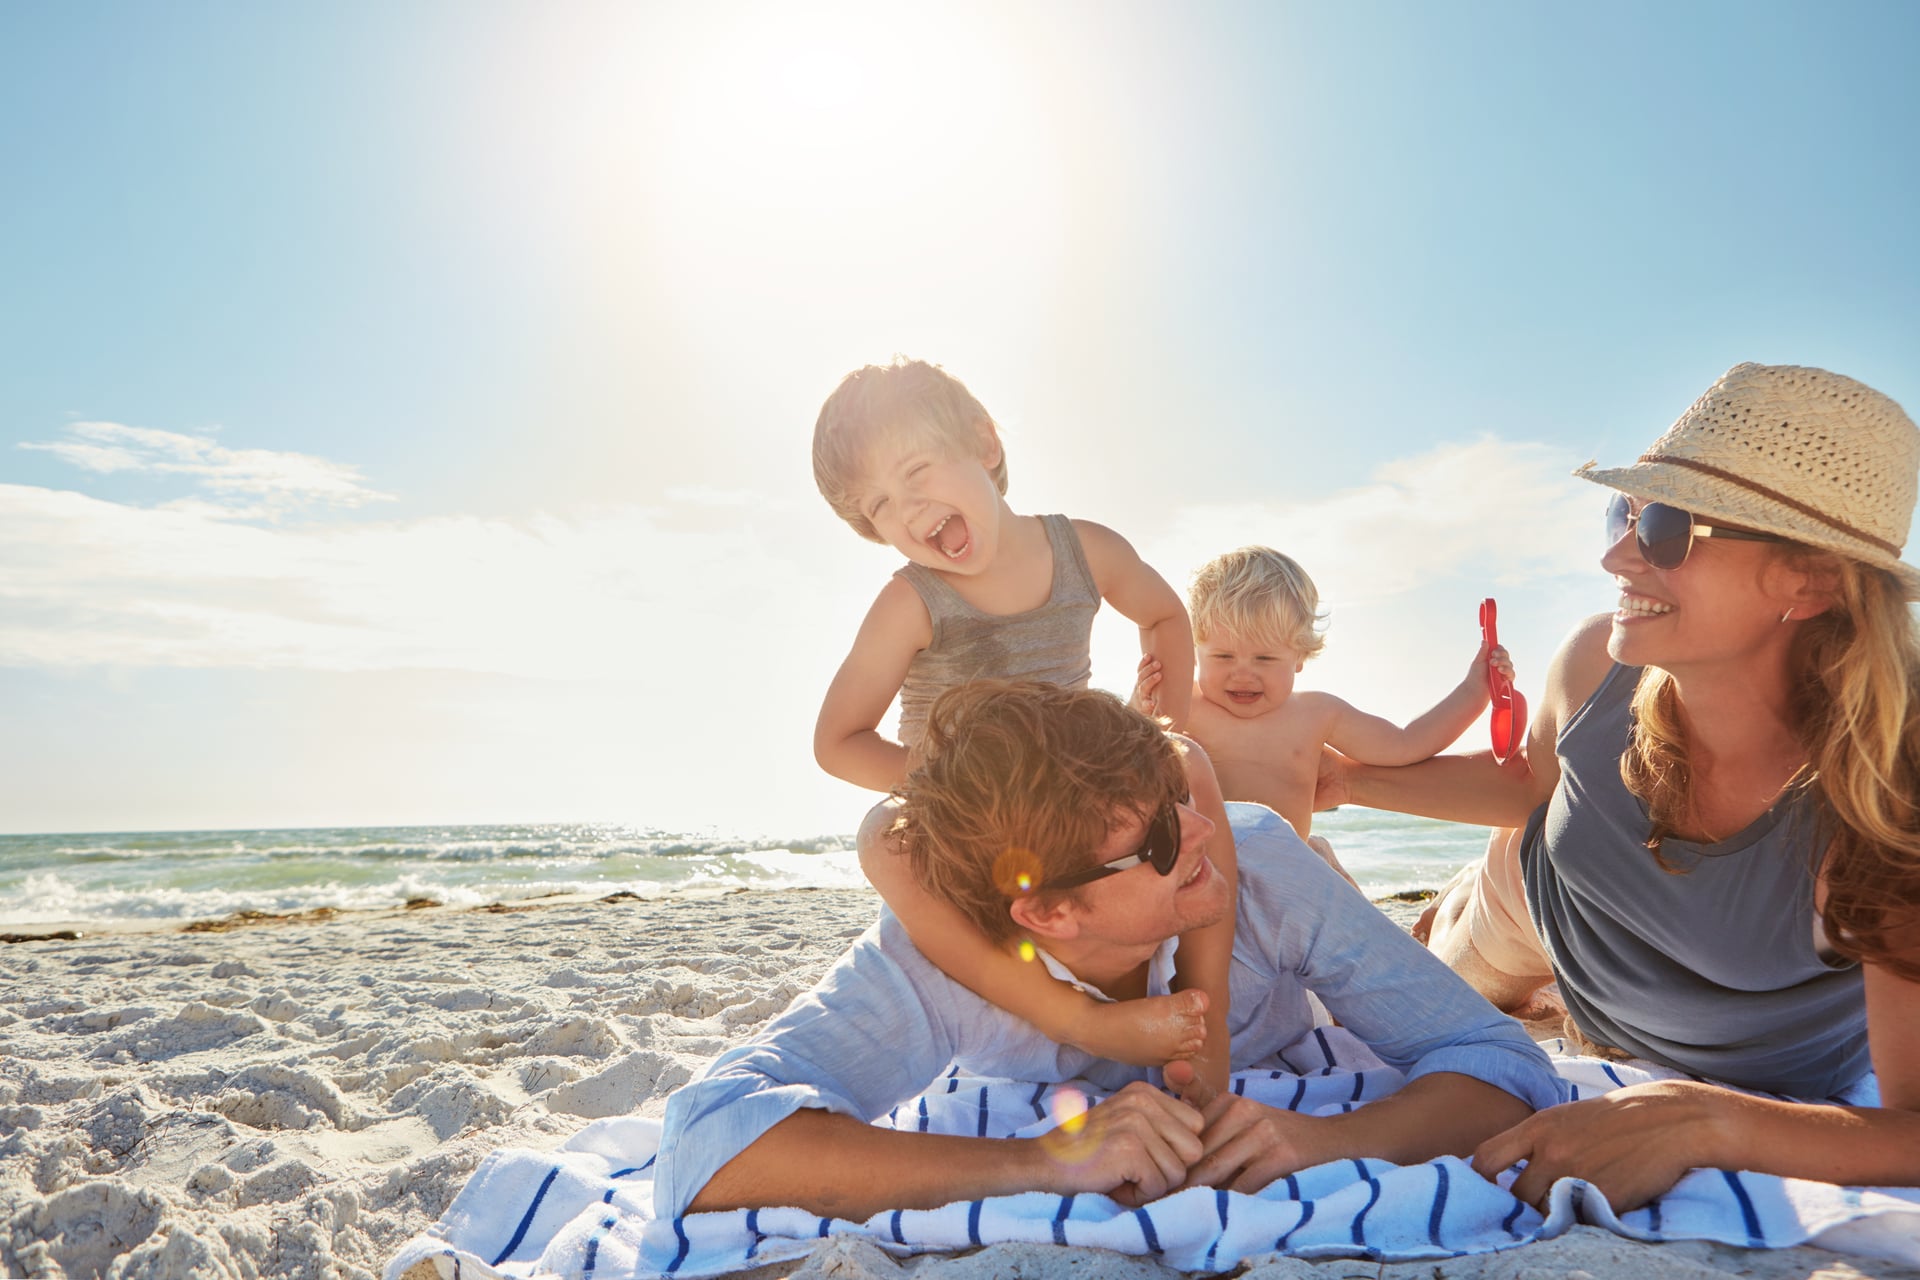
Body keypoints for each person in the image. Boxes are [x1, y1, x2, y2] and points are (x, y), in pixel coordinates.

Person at [1316, 363, 1920, 1212]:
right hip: (1536, 903)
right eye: (1623, 514)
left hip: (1681, 1021)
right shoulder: (1595, 661)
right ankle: (1434, 916)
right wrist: (1350, 781)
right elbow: (1526, 781)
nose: (1614, 554)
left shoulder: (1891, 793)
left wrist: (1702, 1119)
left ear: (1810, 581)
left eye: (1667, 527)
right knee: (1373, 1029)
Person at [657, 681, 1560, 1220]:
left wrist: (1332, 1141)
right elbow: (708, 1138)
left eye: (1177, 795)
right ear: (1048, 913)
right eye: (1160, 840)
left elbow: (1500, 1062)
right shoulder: (934, 961)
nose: (1201, 828)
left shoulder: (1260, 862)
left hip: (1311, 987)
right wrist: (1040, 1163)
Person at [809, 358, 1230, 1088]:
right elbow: (836, 742)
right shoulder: (911, 603)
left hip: (1082, 785)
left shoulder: (1082, 549)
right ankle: (1077, 1018)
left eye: (916, 473)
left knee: (1188, 756)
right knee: (882, 836)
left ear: (985, 444)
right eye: (880, 505)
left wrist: (1153, 729)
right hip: (981, 810)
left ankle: (1207, 1017)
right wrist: (950, 784)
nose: (906, 510)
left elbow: (1165, 614)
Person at [1133, 545, 1512, 886]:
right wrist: (1141, 706)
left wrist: (1474, 692)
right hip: (1199, 873)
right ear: (1196, 650)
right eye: (1223, 657)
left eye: (1265, 658)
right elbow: (1123, 757)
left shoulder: (1315, 713)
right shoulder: (1187, 704)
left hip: (1289, 877)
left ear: (1300, 657)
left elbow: (1405, 743)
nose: (1243, 673)